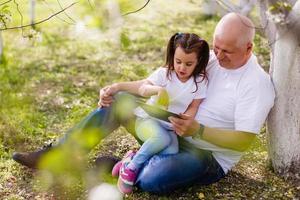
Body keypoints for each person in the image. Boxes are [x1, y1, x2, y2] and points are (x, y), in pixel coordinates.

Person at [12, 12, 275, 194]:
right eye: (216, 47)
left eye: (226, 51)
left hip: (206, 155)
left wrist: (199, 131)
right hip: (167, 129)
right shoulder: (209, 59)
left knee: (153, 181)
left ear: (249, 48)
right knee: (121, 101)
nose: (217, 55)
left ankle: (128, 164)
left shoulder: (256, 83)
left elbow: (244, 141)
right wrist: (115, 88)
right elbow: (155, 82)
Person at [104, 33, 209, 194]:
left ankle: (129, 160)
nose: (182, 67)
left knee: (171, 152)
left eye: (189, 64)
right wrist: (158, 90)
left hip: (169, 126)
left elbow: (194, 106)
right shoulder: (164, 74)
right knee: (160, 139)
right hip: (147, 121)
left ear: (198, 62)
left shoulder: (200, 82)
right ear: (173, 56)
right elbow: (143, 88)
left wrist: (186, 118)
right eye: (178, 61)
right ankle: (131, 169)